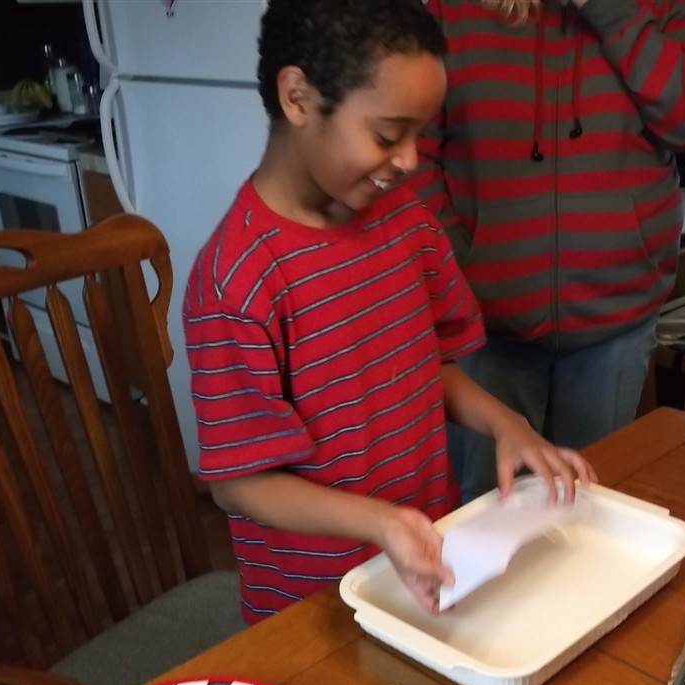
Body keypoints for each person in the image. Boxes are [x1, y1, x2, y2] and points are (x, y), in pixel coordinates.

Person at [182, 0, 596, 625]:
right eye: (387, 135)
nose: (409, 160)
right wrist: (378, 522)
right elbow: (237, 482)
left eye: (419, 134)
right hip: (312, 605)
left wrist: (507, 423)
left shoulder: (407, 223)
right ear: (298, 98)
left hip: (427, 566)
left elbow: (427, 365)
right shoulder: (237, 281)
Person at [406, 0, 685, 502]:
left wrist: (609, 10)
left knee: (591, 502)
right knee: (487, 508)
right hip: (481, 321)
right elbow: (414, 149)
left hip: (617, 314)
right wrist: (458, 265)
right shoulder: (450, 10)